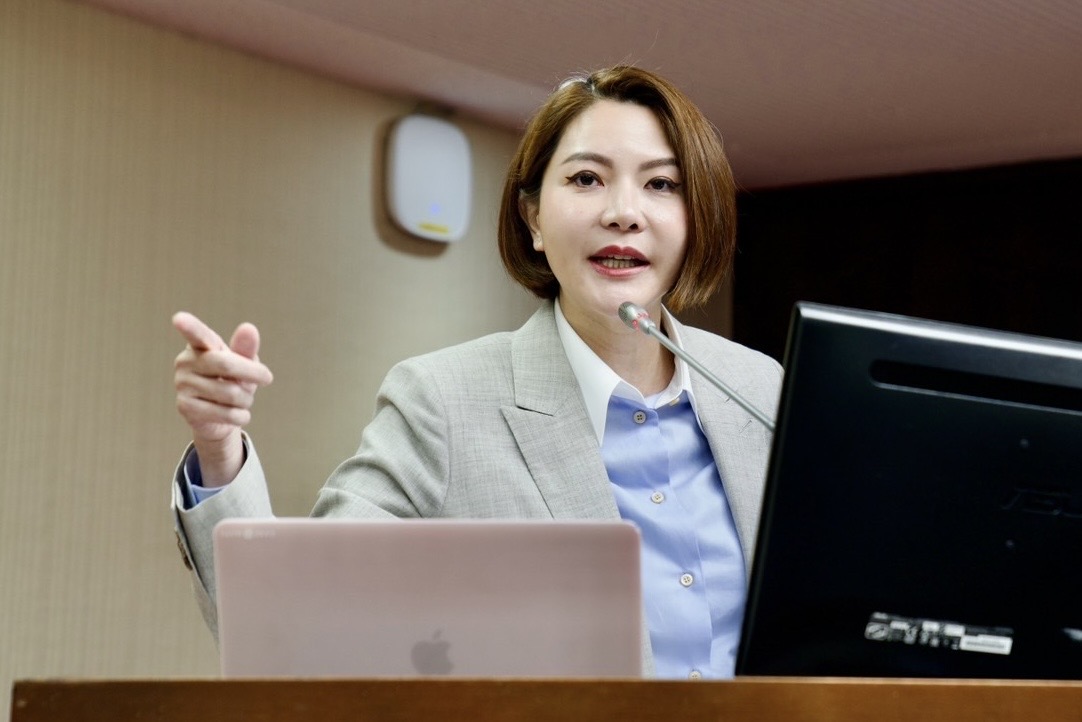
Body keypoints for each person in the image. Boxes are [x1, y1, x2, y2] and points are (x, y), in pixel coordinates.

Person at [171, 65, 783, 680]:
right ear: (533, 217)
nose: (624, 213)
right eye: (587, 179)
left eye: (661, 184)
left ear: (696, 217)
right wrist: (220, 453)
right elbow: (297, 620)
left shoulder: (763, 392)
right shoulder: (443, 402)